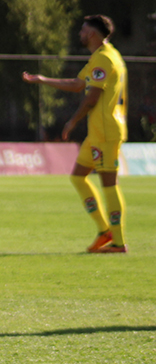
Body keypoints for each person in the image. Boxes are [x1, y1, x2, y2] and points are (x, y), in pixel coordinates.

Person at [22, 14, 128, 253]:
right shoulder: (101, 57)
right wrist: (42, 80)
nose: (79, 34)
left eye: (83, 30)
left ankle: (119, 242)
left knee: (109, 185)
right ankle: (104, 230)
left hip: (106, 132)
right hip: (97, 133)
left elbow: (92, 98)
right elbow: (77, 84)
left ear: (91, 34)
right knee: (78, 177)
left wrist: (72, 121)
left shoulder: (104, 58)